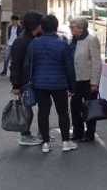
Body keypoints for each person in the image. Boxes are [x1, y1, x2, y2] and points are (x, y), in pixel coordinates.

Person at [25, 15, 76, 153]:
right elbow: (69, 67)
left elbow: (28, 64)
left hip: (40, 84)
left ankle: (46, 143)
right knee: (63, 112)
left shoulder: (34, 43)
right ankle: (66, 141)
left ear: (42, 27)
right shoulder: (62, 44)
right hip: (59, 83)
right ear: (56, 27)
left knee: (43, 112)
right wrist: (72, 86)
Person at [10, 11, 44, 146]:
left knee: (42, 106)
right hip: (25, 81)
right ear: (35, 25)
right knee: (27, 108)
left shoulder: (36, 38)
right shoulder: (21, 41)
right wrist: (16, 85)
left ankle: (42, 133)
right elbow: (15, 64)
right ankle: (25, 134)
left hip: (37, 79)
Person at [69, 18, 103, 142]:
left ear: (81, 28)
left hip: (88, 80)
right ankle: (77, 131)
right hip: (76, 80)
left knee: (89, 107)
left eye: (73, 27)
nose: (70, 28)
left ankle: (90, 133)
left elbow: (96, 62)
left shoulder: (91, 40)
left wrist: (94, 81)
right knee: (75, 106)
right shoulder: (73, 40)